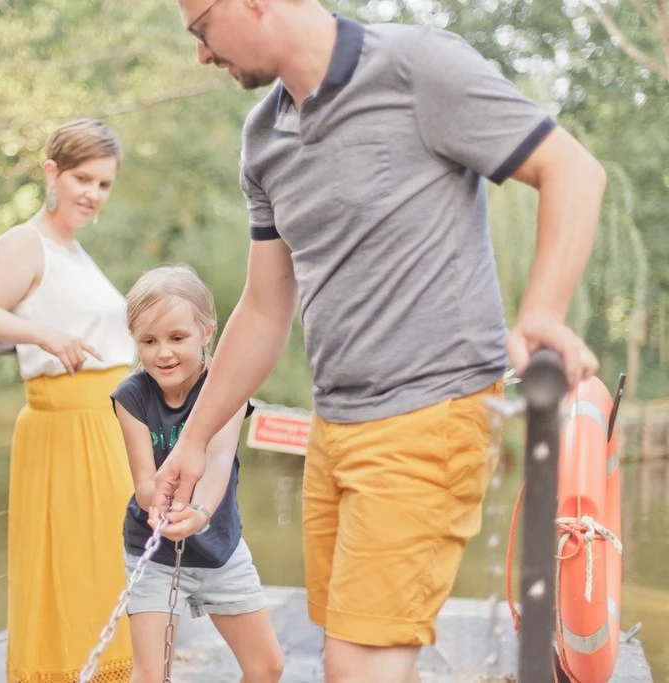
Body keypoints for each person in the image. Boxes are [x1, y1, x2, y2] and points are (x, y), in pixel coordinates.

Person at [156, 2, 607, 682]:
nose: (201, 53)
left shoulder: (416, 66)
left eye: (200, 29)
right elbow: (263, 308)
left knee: (358, 665)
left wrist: (543, 309)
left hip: (431, 415)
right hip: (333, 429)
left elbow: (572, 169)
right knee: (357, 648)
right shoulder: (264, 134)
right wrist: (194, 438)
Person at [0, 118, 135, 682]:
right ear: (51, 173)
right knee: (74, 572)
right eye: (83, 178)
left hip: (108, 428)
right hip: (66, 429)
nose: (93, 194)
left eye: (104, 184)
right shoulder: (25, 243)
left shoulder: (76, 251)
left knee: (109, 570)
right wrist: (43, 335)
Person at [112, 265, 284, 683]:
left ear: (207, 332)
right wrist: (162, 510)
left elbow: (220, 459)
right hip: (151, 554)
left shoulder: (226, 387)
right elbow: (145, 481)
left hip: (220, 549)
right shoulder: (130, 396)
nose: (163, 353)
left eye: (177, 338)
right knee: (151, 675)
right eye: (148, 341)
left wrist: (201, 512)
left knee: (266, 668)